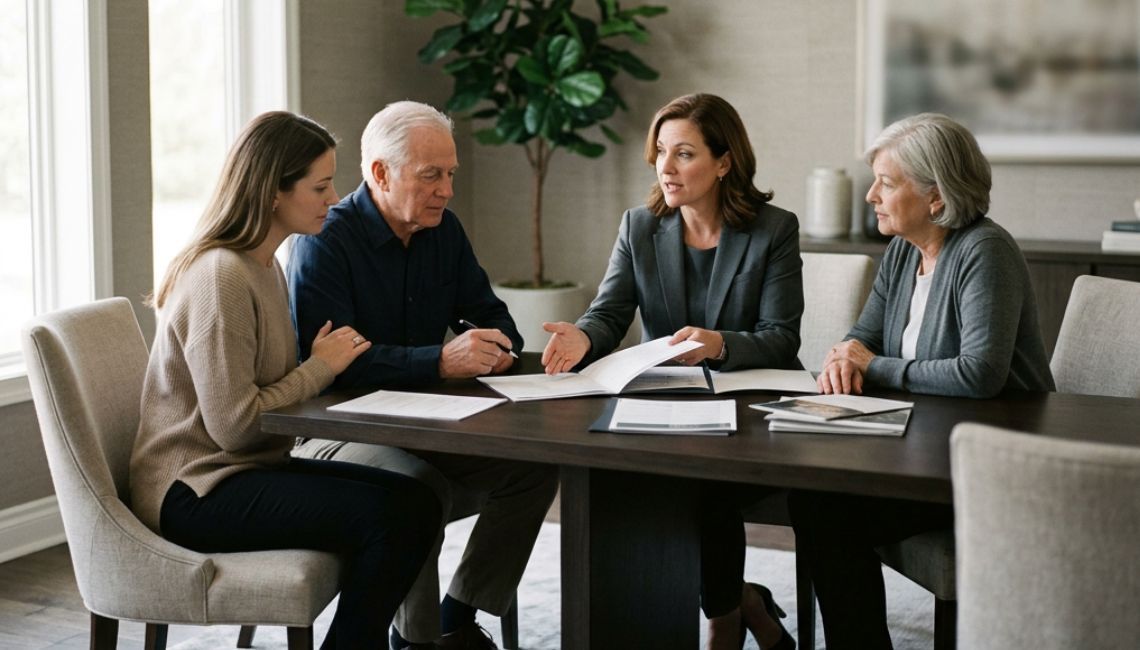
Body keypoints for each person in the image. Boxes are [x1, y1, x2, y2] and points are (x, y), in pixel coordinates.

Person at [129, 111, 442, 650]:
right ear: (274, 191)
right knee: (394, 518)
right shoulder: (222, 276)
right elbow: (235, 426)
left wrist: (317, 367)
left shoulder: (263, 265)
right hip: (196, 489)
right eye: (320, 186)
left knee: (418, 503)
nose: (333, 197)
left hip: (244, 470)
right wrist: (321, 367)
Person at [287, 100, 559, 650]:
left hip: (431, 422)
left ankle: (455, 615)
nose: (447, 189)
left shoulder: (444, 231)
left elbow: (495, 316)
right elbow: (337, 366)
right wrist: (436, 361)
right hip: (337, 431)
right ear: (380, 173)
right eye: (431, 175)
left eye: (450, 174)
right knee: (415, 487)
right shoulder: (324, 242)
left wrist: (497, 348)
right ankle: (415, 641)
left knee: (534, 467)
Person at [541, 93, 802, 650]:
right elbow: (611, 311)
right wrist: (584, 335)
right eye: (661, 151)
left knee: (705, 483)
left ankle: (721, 622)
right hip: (668, 403)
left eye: (684, 153)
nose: (665, 166)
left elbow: (782, 338)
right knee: (617, 476)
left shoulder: (773, 230)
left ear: (724, 162)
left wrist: (718, 345)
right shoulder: (641, 226)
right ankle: (731, 602)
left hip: (751, 411)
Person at [790, 112, 1056, 649]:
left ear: (937, 197)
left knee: (827, 511)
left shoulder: (985, 251)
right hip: (921, 448)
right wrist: (845, 358)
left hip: (991, 460)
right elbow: (860, 338)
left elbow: (979, 374)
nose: (871, 197)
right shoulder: (901, 253)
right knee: (814, 494)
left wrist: (872, 364)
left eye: (887, 183)